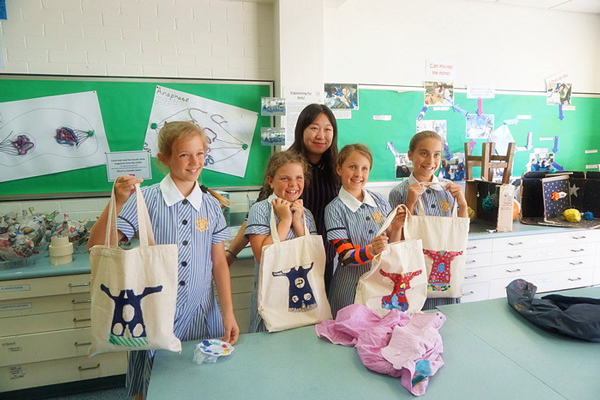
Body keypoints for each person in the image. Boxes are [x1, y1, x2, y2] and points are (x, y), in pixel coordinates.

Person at [87, 121, 239, 400]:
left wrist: (228, 312)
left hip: (202, 314)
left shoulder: (212, 205)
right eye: (184, 155)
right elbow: (97, 245)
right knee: (151, 386)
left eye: (200, 153)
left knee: (205, 382)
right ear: (164, 159)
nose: (195, 162)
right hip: (153, 315)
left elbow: (218, 263)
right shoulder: (147, 199)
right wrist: (117, 202)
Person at [226, 104, 340, 293]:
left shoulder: (337, 171)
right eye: (314, 128)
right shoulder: (285, 166)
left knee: (316, 314)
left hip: (320, 258)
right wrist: (231, 254)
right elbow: (254, 218)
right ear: (301, 130)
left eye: (327, 129)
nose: (321, 135)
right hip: (282, 259)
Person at [388, 130, 468, 310]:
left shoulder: (449, 190)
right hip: (415, 272)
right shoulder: (399, 192)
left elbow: (460, 230)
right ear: (410, 155)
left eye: (436, 155)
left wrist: (462, 205)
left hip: (446, 275)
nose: (431, 161)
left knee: (449, 323)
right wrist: (410, 203)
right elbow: (399, 239)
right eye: (423, 153)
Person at [324, 143, 404, 317]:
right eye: (352, 167)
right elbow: (345, 256)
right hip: (349, 288)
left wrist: (397, 227)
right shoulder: (334, 209)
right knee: (347, 335)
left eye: (364, 169)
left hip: (380, 285)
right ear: (339, 169)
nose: (358, 174)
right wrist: (370, 250)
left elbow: (392, 245)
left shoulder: (380, 201)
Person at [245, 151, 318, 332]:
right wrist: (285, 221)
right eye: (285, 178)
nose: (293, 184)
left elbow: (312, 254)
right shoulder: (260, 210)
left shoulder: (305, 213)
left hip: (301, 294)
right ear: (270, 181)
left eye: (299, 178)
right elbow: (263, 256)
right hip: (272, 295)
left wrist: (297, 222)